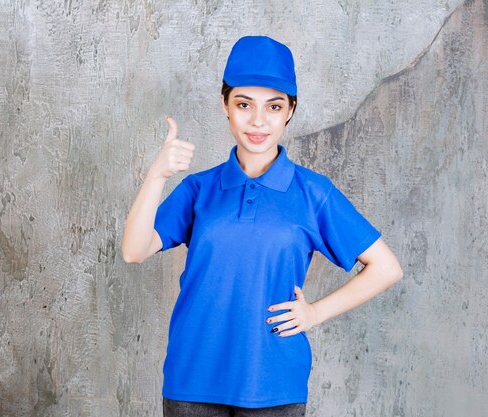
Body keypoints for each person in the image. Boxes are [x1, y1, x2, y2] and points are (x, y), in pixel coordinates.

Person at [121, 36, 403, 417]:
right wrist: (157, 175)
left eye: (273, 106)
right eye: (243, 104)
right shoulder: (199, 188)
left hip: (273, 383)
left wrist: (315, 313)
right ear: (225, 106)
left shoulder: (312, 193)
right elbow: (133, 251)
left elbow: (386, 268)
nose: (258, 121)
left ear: (290, 110)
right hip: (192, 378)